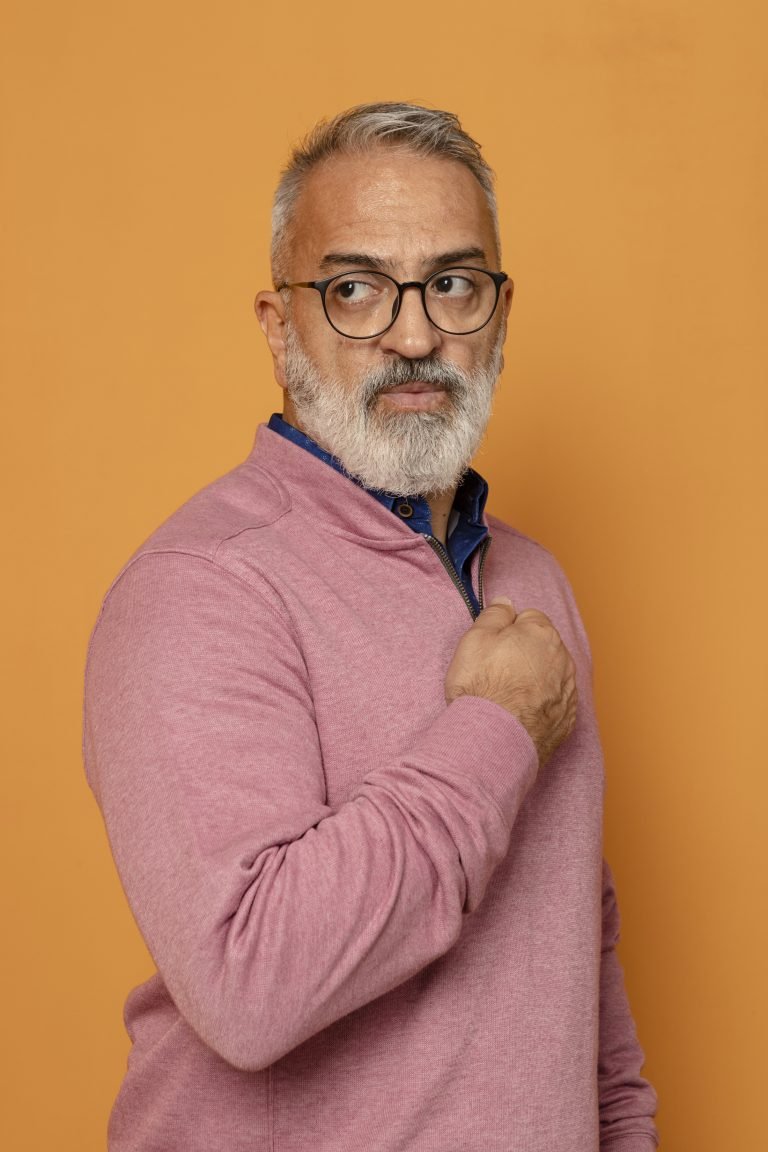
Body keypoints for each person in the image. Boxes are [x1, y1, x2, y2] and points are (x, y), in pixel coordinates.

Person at [84, 102, 658, 1152]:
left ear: (500, 312)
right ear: (279, 326)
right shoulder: (199, 588)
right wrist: (494, 730)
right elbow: (250, 981)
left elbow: (578, 950)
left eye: (453, 283)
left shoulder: (533, 581)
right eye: (355, 289)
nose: (415, 335)